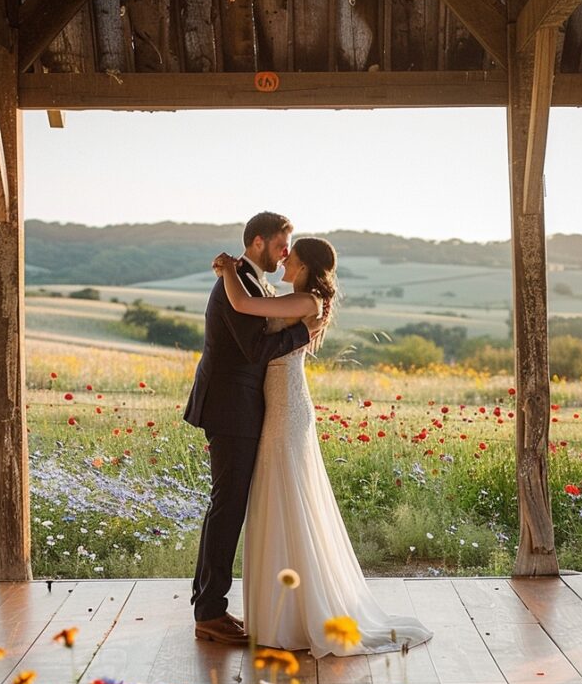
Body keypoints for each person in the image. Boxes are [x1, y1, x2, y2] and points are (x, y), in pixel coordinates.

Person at [214, 236, 433, 658]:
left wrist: (227, 269)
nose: (283, 258)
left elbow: (243, 306)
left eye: (290, 256)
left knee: (286, 500)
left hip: (286, 409)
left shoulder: (307, 302)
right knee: (277, 500)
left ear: (305, 266)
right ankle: (282, 612)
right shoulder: (294, 297)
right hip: (276, 404)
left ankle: (295, 615)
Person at [183, 212, 322, 645]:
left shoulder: (250, 279)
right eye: (283, 243)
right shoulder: (238, 278)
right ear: (258, 241)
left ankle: (208, 605)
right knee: (227, 508)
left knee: (226, 508)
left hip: (241, 407)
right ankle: (210, 611)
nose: (286, 252)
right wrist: (302, 333)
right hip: (230, 407)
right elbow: (255, 347)